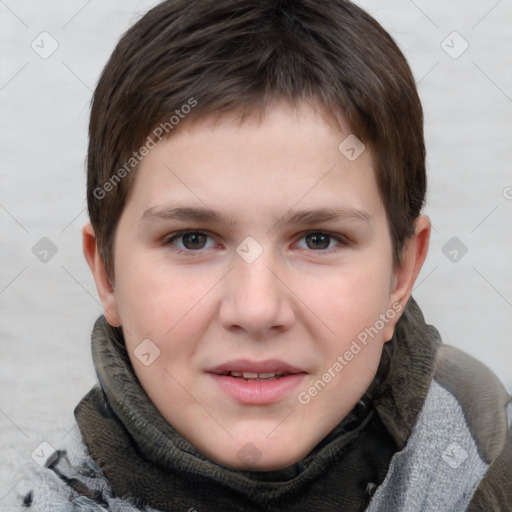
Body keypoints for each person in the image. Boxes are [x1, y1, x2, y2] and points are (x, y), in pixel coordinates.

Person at [23, 0, 511, 510]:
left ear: (400, 274)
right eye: (193, 239)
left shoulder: (480, 452)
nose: (256, 310)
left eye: (318, 239)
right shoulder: (41, 496)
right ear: (106, 274)